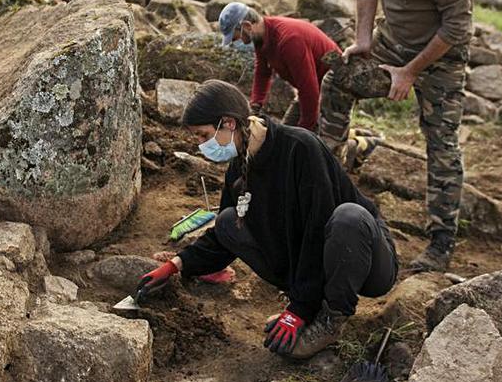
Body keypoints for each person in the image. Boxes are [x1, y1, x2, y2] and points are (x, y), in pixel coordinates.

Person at [135, 80, 397, 360]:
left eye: (204, 135)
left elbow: (316, 231)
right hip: (315, 265)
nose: (201, 145)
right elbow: (223, 239)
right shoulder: (239, 168)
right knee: (228, 220)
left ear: (228, 123)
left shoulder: (300, 148)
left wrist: (299, 310)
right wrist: (176, 264)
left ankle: (330, 320)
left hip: (366, 262)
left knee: (349, 217)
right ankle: (309, 302)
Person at [317, 0, 472, 274]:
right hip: (391, 40)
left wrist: (409, 72)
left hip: (441, 56)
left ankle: (441, 241)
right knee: (338, 81)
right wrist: (363, 40)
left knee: (442, 142)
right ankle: (324, 188)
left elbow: (457, 27)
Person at [217, 3, 340, 131]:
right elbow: (262, 72)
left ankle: (344, 139)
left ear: (247, 26)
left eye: (237, 38)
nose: (239, 42)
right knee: (284, 135)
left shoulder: (289, 40)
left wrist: (306, 129)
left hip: (335, 85)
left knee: (318, 138)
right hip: (311, 88)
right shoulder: (261, 36)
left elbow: (309, 88)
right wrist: (255, 107)